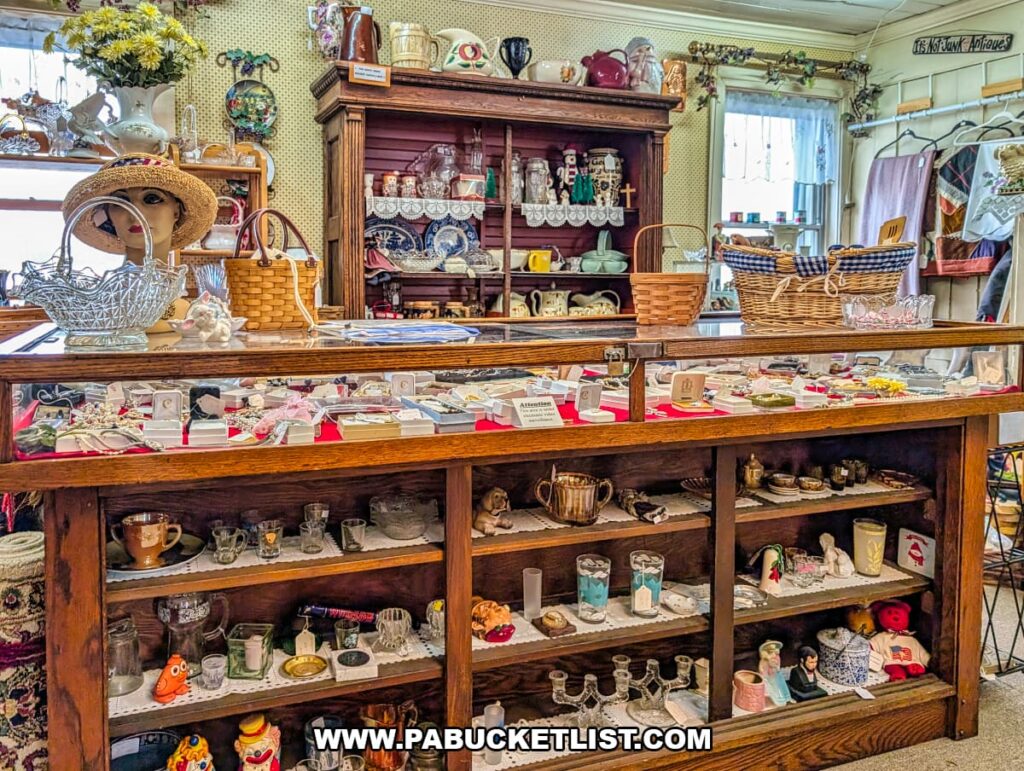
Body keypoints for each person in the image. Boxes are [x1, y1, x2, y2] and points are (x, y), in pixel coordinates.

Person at [61, 153, 218, 332]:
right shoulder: (106, 307)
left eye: (151, 199)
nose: (135, 213)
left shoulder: (188, 310)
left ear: (176, 211)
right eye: (121, 202)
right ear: (109, 215)